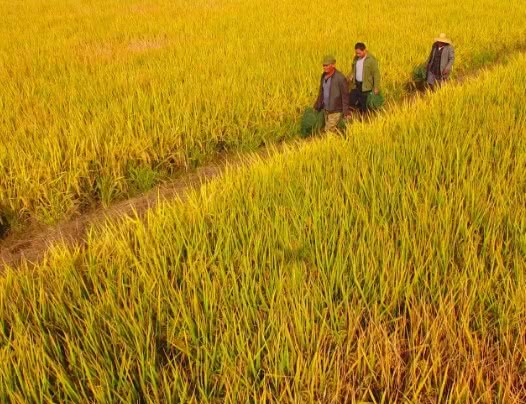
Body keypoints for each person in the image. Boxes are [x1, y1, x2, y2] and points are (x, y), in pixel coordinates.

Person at [314, 55, 350, 132]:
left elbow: (345, 96)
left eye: (326, 65)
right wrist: (317, 104)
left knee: (328, 131)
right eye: (323, 65)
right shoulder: (323, 76)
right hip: (326, 109)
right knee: (331, 131)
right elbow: (321, 92)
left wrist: (346, 112)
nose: (324, 67)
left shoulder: (340, 78)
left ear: (333, 65)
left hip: (336, 110)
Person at [348, 43, 381, 114]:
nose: (357, 55)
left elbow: (376, 74)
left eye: (359, 53)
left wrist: (376, 87)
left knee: (364, 105)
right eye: (356, 53)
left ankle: (365, 119)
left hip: (366, 86)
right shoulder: (356, 59)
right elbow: (353, 69)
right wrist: (351, 75)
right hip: (356, 85)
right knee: (351, 100)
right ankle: (355, 117)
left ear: (364, 50)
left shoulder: (371, 60)